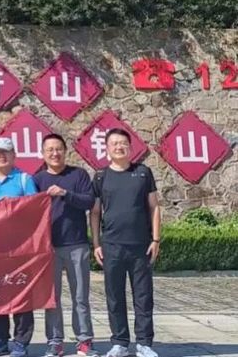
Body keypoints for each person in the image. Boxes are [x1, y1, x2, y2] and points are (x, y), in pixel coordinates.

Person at [90, 129, 161, 357]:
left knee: (143, 296)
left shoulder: (142, 173)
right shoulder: (101, 177)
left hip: (141, 245)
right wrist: (96, 244)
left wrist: (156, 239)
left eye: (123, 143)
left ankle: (144, 343)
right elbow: (95, 213)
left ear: (130, 147)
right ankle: (119, 342)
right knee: (115, 296)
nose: (119, 147)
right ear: (107, 148)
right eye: (114, 143)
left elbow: (154, 207)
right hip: (112, 246)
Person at [33, 134, 98, 357]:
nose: (55, 153)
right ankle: (55, 342)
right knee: (52, 298)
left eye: (58, 148)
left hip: (76, 244)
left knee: (80, 296)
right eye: (49, 150)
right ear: (43, 154)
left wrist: (65, 194)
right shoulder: (37, 180)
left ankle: (84, 340)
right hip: (48, 247)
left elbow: (89, 201)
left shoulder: (78, 175)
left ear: (65, 151)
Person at [0, 137, 38, 357]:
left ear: (14, 155)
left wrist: (13, 207)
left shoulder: (25, 179)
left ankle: (21, 342)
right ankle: (0, 340)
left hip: (19, 248)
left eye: (5, 152)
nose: (1, 156)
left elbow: (35, 210)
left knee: (21, 294)